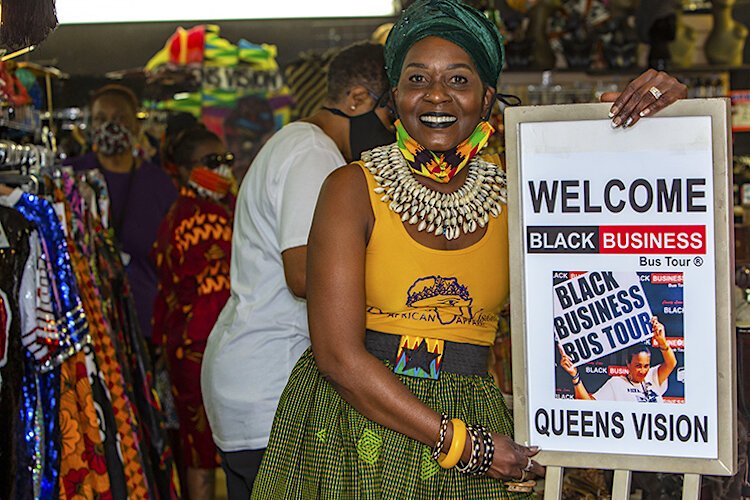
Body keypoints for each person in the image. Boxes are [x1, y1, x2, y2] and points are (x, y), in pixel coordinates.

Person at [250, 0, 687, 498]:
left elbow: (634, 240)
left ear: (486, 99)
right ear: (394, 96)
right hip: (358, 429)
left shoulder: (521, 191)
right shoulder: (351, 188)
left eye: (459, 80)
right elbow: (336, 355)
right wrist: (466, 445)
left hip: (474, 418)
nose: (437, 95)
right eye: (417, 79)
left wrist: (663, 121)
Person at [201, 41, 393, 498]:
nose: (392, 133)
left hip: (253, 376)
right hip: (272, 384)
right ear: (358, 101)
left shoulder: (297, 142)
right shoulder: (314, 154)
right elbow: (305, 274)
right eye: (390, 119)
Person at [152, 126, 235, 500]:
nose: (222, 169)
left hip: (224, 341)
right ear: (185, 170)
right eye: (211, 162)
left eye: (226, 160)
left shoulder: (227, 204)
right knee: (199, 448)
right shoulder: (185, 217)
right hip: (195, 346)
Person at [67, 84, 178, 343]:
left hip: (144, 325)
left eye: (119, 118)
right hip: (87, 326)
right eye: (101, 119)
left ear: (136, 126)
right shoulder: (69, 178)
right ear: (89, 127)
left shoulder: (160, 184)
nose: (110, 126)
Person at [560, 316, 677, 402]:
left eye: (646, 366)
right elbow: (588, 404)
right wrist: (575, 376)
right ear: (628, 364)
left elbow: (671, 363)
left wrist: (662, 341)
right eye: (638, 366)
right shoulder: (616, 383)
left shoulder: (652, 376)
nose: (643, 371)